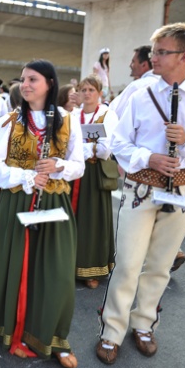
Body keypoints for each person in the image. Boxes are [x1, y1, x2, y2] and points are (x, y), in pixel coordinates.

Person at [96, 23, 185, 365]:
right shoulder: (140, 92)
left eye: (162, 52)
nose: (154, 58)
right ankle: (111, 330)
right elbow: (117, 138)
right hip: (140, 188)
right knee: (129, 262)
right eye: (154, 51)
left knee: (160, 265)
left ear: (184, 56)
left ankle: (144, 323)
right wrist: (148, 157)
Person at [0, 59, 84, 368]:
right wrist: (26, 176)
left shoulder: (68, 119)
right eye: (24, 80)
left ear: (50, 83)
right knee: (18, 267)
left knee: (58, 272)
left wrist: (58, 166)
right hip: (17, 203)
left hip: (54, 204)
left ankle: (53, 337)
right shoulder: (8, 120)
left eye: (33, 79)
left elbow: (78, 164)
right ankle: (15, 330)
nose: (25, 85)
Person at [70, 75, 118, 289]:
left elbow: (106, 149)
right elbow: (65, 143)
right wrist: (88, 146)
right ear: (78, 93)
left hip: (95, 174)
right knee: (72, 218)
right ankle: (70, 265)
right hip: (74, 173)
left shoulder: (107, 115)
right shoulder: (72, 115)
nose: (87, 93)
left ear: (100, 93)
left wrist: (80, 148)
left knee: (93, 220)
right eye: (83, 89)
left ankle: (93, 269)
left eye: (91, 89)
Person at [109, 46, 159, 118]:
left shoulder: (137, 86)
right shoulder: (166, 84)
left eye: (133, 62)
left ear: (144, 65)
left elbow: (114, 113)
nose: (130, 65)